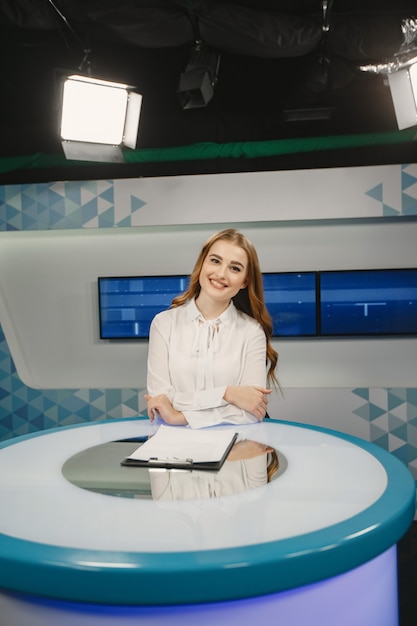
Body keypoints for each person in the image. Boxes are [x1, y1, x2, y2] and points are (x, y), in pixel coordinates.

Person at [145, 228, 279, 428]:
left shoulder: (252, 331)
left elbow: (252, 410)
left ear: (245, 281)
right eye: (215, 261)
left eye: (235, 268)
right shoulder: (163, 324)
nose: (221, 274)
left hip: (235, 449)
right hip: (171, 446)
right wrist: (228, 394)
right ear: (202, 264)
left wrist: (180, 416)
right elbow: (159, 400)